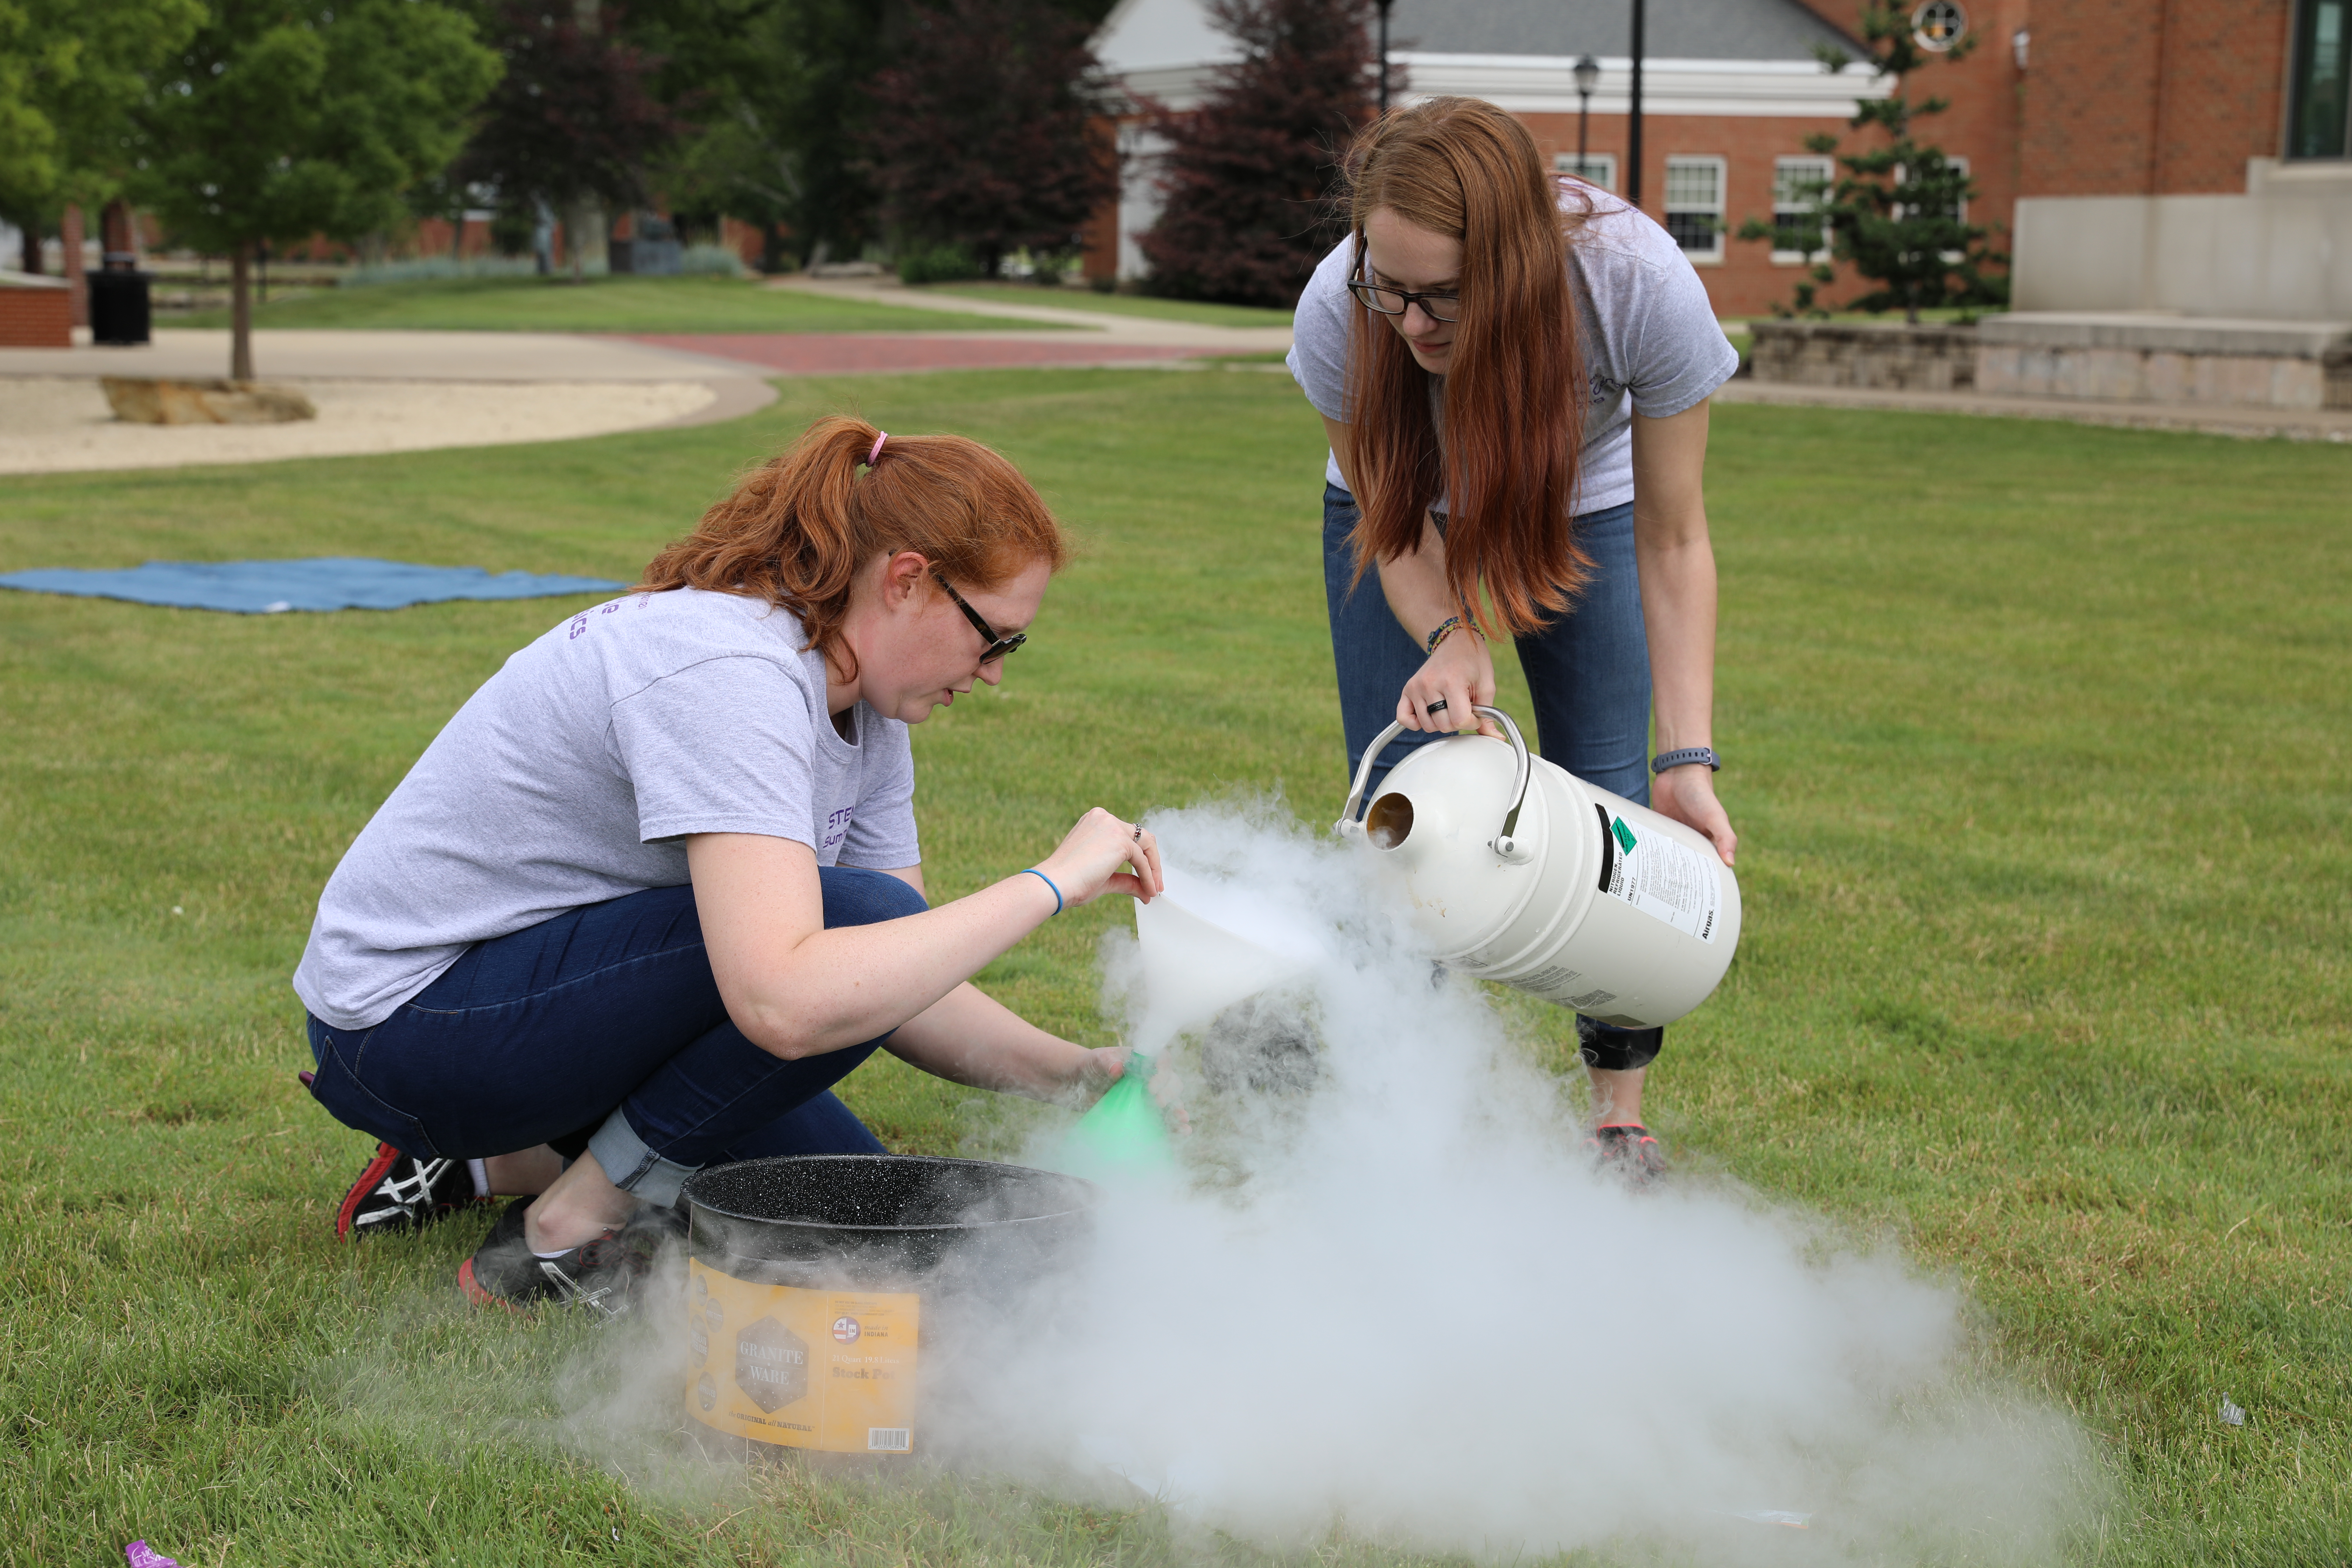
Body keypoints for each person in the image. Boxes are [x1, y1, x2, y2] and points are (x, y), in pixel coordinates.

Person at [294, 416, 1164, 1308]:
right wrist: (1052, 883)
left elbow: (896, 981)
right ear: (909, 579)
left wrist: (1075, 1074)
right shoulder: (728, 671)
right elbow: (788, 998)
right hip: (407, 1028)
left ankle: (495, 1158)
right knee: (846, 926)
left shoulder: (862, 703)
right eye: (996, 637)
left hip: (537, 1007)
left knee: (854, 1205)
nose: (993, 673)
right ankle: (563, 1227)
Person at [1288, 97, 1739, 1183]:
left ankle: (1617, 1119)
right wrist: (1448, 632)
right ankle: (1404, 1114)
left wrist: (1687, 759)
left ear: (1521, 265)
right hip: (1406, 520)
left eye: (1442, 295)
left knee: (1613, 798)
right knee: (1405, 808)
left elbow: (1675, 541)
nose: (1412, 325)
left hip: (1587, 505)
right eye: (1387, 289)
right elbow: (1393, 522)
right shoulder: (1337, 310)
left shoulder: (1636, 282)